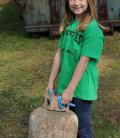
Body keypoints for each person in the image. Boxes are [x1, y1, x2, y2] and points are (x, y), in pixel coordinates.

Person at [46, 0, 104, 137]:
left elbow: (84, 61)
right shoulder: (69, 25)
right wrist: (50, 84)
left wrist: (70, 90)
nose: (76, 3)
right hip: (65, 86)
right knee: (66, 126)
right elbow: (59, 53)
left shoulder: (92, 29)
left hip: (81, 88)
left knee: (81, 128)